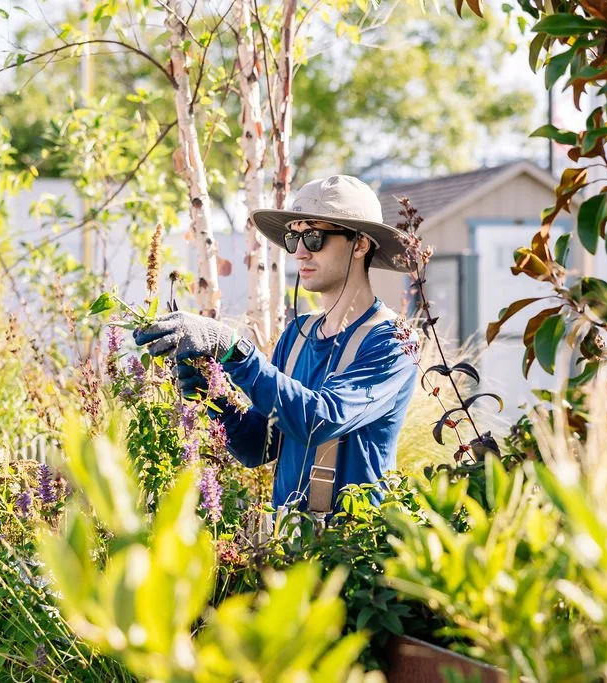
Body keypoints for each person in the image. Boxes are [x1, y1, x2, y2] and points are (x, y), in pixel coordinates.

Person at [134, 175, 418, 515]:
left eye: (314, 237)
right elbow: (258, 447)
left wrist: (232, 347)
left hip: (353, 552)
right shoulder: (297, 336)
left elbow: (319, 420)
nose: (298, 252)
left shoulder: (392, 341)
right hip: (287, 547)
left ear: (359, 245)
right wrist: (210, 390)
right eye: (293, 237)